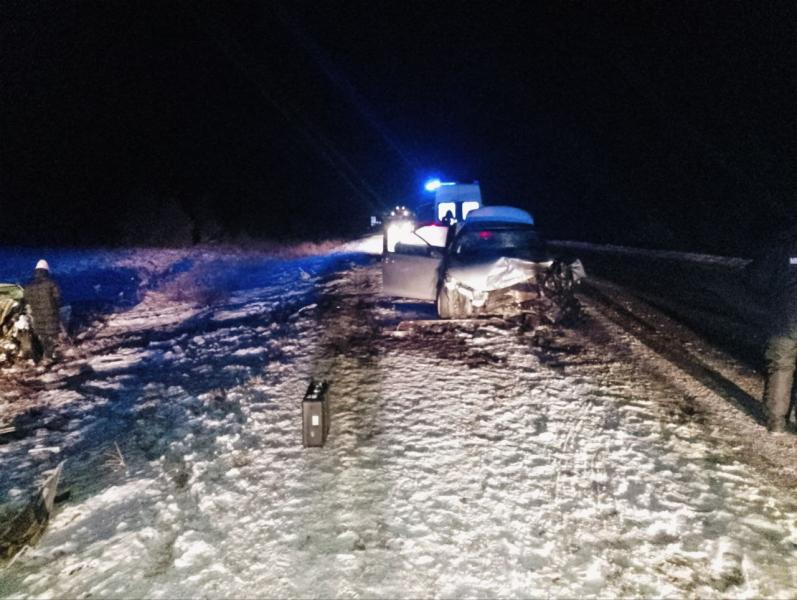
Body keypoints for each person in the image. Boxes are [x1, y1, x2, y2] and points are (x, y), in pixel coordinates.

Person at [745, 228, 797, 432]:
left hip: (784, 320)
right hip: (785, 319)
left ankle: (776, 423)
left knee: (781, 368)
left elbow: (756, 279)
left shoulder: (783, 249)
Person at [24, 259, 61, 363]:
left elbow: (26, 299)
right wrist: (55, 307)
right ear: (46, 271)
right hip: (51, 315)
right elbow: (58, 298)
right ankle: (50, 356)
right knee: (51, 335)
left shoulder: (29, 285)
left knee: (43, 336)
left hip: (37, 315)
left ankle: (43, 355)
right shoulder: (51, 283)